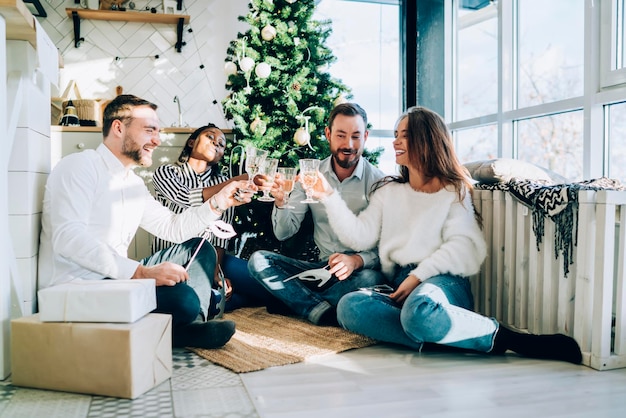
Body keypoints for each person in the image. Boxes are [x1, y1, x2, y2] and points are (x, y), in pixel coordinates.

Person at [310, 106, 582, 364]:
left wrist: (418, 276)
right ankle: (442, 334)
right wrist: (329, 196)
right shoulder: (388, 191)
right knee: (349, 307)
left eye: (405, 135)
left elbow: (462, 247)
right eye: (395, 135)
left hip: (442, 281)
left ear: (426, 139)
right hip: (399, 282)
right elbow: (359, 238)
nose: (395, 142)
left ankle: (512, 340)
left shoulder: (453, 190)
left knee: (419, 311)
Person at [38, 94, 256, 349]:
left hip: (117, 279)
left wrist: (218, 203)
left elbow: (172, 228)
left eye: (158, 131)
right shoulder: (79, 166)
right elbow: (68, 237)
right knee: (183, 299)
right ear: (119, 128)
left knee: (200, 248)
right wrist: (140, 273)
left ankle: (191, 326)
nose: (157, 140)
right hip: (78, 287)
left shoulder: (133, 184)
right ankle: (181, 329)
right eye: (149, 130)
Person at [247, 103, 387, 326]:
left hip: (356, 272)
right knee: (259, 261)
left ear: (366, 136)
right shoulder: (311, 175)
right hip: (318, 270)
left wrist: (356, 260)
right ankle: (319, 308)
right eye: (341, 135)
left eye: (356, 136)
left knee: (371, 279)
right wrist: (281, 200)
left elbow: (386, 247)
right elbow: (284, 232)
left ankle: (297, 301)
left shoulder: (378, 183)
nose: (348, 145)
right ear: (328, 134)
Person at [151, 123, 283, 311]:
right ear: (191, 142)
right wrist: (237, 180)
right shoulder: (167, 173)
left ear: (222, 155)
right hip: (173, 259)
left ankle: (231, 298)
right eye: (210, 137)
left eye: (221, 144)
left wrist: (216, 273)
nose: (216, 143)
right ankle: (228, 301)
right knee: (195, 301)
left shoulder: (222, 181)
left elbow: (221, 234)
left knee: (269, 286)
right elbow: (186, 197)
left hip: (212, 260)